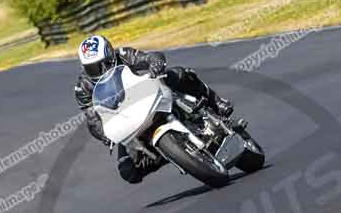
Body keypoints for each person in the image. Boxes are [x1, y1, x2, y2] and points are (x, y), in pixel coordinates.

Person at [74, 34, 233, 184]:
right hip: (125, 119)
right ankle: (167, 153)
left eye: (103, 64)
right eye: (93, 68)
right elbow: (92, 117)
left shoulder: (122, 54)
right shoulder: (82, 88)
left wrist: (155, 64)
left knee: (179, 74)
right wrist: (104, 135)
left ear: (110, 55)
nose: (101, 70)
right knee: (127, 170)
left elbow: (148, 57)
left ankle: (216, 101)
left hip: (145, 93)